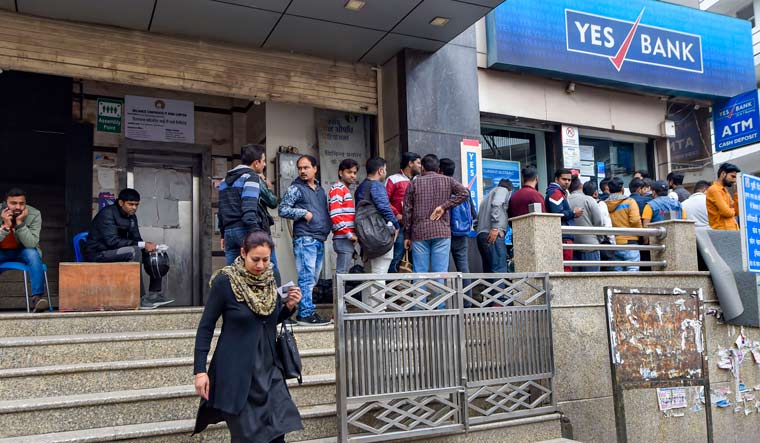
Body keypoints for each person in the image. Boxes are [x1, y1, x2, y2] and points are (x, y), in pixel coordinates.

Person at [193, 231, 303, 443]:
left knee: (278, 434)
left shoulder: (272, 278)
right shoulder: (225, 281)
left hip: (270, 370)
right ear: (243, 253)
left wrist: (289, 307)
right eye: (255, 259)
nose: (261, 265)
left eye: (266, 259)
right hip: (236, 372)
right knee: (248, 437)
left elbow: (268, 320)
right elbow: (206, 327)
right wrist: (200, 371)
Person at [84, 188, 174, 309]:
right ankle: (140, 298)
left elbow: (136, 239)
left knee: (155, 253)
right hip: (99, 253)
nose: (134, 208)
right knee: (135, 250)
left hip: (117, 251)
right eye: (130, 204)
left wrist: (149, 246)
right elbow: (112, 241)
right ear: (121, 203)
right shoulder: (107, 214)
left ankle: (154, 294)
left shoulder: (132, 217)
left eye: (136, 205)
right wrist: (141, 245)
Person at [278, 155, 332, 325]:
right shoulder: (296, 188)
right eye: (300, 168)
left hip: (318, 239)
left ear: (315, 168)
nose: (302, 171)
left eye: (306, 167)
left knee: (311, 279)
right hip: (305, 239)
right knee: (307, 278)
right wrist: (304, 213)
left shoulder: (320, 190)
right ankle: (305, 313)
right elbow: (282, 209)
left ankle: (288, 305)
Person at [402, 154, 468, 278]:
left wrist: (407, 235)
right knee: (440, 274)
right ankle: (440, 298)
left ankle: (420, 298)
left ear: (422, 168)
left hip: (419, 233)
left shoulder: (414, 183)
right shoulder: (448, 180)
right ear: (438, 169)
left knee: (420, 274)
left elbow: (407, 210)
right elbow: (464, 193)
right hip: (442, 232)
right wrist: (444, 206)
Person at [355, 157, 399, 308]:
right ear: (380, 170)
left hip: (366, 238)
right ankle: (378, 310)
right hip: (379, 236)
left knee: (369, 275)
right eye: (385, 169)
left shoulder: (360, 188)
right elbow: (384, 207)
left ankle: (367, 309)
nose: (385, 172)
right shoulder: (377, 186)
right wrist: (396, 224)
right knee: (380, 275)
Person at [218, 144, 266, 266]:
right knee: (269, 270)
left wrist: (223, 234)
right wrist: (257, 235)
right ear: (256, 163)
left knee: (234, 276)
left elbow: (221, 211)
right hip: (245, 229)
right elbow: (249, 210)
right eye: (263, 161)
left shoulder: (224, 181)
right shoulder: (251, 177)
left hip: (229, 232)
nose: (264, 165)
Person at [0, 188, 47, 312]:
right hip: (2, 251)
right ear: (5, 204)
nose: (18, 207)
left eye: (21, 203)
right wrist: (5, 226)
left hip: (23, 250)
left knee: (33, 254)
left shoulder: (34, 214)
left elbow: (31, 243)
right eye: (13, 203)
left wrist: (20, 223)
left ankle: (37, 299)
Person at [439, 158, 477, 277]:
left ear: (440, 171)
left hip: (444, 232)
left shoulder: (441, 189)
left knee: (442, 267)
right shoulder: (462, 189)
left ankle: (445, 295)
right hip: (461, 232)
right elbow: (473, 214)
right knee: (463, 266)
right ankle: (466, 295)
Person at [386, 152, 421, 272]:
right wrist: (397, 214)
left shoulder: (419, 180)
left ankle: (411, 289)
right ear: (410, 163)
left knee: (417, 260)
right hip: (399, 226)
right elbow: (384, 200)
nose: (420, 166)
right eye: (418, 163)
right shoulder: (393, 179)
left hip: (416, 227)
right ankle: (392, 288)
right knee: (396, 257)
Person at [545, 169, 582, 272]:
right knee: (566, 270)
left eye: (569, 180)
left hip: (563, 235)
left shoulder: (559, 192)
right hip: (563, 236)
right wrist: (573, 213)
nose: (567, 182)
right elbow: (557, 214)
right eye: (564, 179)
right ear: (556, 179)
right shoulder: (556, 192)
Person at [605, 177, 642, 271]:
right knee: (633, 272)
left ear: (609, 190)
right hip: (630, 242)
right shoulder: (630, 202)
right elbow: (635, 221)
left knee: (618, 275)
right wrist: (641, 234)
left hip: (614, 244)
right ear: (622, 189)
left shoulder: (604, 204)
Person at [329, 159, 359, 275]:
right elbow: (335, 214)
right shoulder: (338, 188)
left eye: (354, 173)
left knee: (342, 274)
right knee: (342, 275)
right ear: (341, 173)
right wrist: (349, 234)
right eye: (349, 172)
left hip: (344, 238)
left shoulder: (343, 189)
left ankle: (338, 293)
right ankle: (338, 294)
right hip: (343, 238)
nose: (352, 175)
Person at [567, 177, 603, 272]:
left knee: (576, 281)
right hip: (590, 246)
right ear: (582, 186)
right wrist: (599, 238)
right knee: (592, 280)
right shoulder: (588, 199)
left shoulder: (565, 200)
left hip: (572, 246)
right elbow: (599, 221)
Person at [476, 179, 511, 273]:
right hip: (493, 235)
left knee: (489, 272)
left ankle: (489, 288)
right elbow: (497, 204)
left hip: (481, 235)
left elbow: (476, 220)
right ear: (509, 190)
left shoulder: (486, 199)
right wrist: (495, 227)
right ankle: (498, 289)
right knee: (499, 270)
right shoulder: (503, 190)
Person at [583, 181, 615, 266]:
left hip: (585, 242)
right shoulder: (600, 204)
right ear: (595, 193)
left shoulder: (582, 203)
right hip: (600, 241)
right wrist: (612, 242)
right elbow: (606, 224)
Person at [706, 163, 741, 231]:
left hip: (731, 231)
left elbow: (736, 211)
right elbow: (726, 212)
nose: (734, 180)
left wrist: (736, 193)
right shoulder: (714, 190)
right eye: (732, 176)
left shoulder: (725, 191)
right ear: (723, 174)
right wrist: (730, 210)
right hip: (722, 232)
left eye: (735, 177)